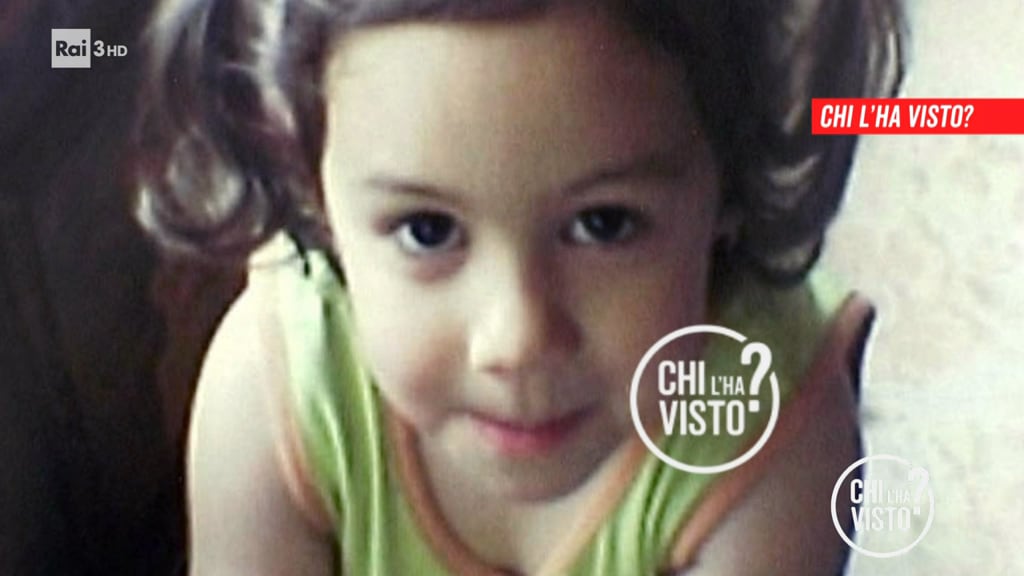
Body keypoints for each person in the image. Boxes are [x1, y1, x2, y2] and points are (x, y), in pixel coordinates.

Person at [135, 0, 904, 574]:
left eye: (605, 223)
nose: (517, 338)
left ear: (730, 183)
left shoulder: (774, 443)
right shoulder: (273, 396)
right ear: (316, 198)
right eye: (427, 230)